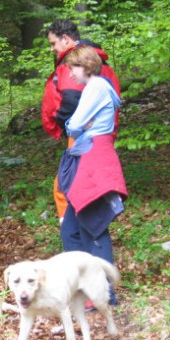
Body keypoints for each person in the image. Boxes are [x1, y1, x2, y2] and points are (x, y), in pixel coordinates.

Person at [41, 19, 121, 251]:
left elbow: (72, 103)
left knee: (69, 190)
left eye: (53, 43)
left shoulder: (77, 63)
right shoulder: (93, 62)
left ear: (65, 39)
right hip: (94, 139)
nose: (52, 48)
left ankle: (80, 252)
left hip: (84, 140)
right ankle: (79, 245)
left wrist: (67, 128)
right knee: (78, 191)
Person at [60, 45, 128, 306]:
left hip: (94, 162)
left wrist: (76, 126)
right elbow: (76, 126)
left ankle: (103, 293)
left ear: (86, 66)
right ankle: (88, 289)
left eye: (73, 68)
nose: (71, 75)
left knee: (93, 226)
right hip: (91, 159)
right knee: (73, 229)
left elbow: (74, 125)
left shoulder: (96, 87)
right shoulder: (99, 88)